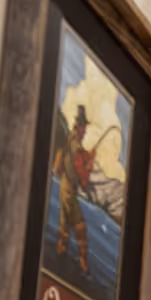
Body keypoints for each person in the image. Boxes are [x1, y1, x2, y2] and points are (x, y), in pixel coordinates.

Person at [52, 104, 93, 273]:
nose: (84, 131)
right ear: (79, 127)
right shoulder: (76, 146)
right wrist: (88, 165)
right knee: (78, 225)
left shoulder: (74, 143)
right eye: (82, 127)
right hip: (67, 187)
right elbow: (82, 178)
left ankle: (61, 257)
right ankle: (78, 263)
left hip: (66, 187)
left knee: (67, 225)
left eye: (84, 128)